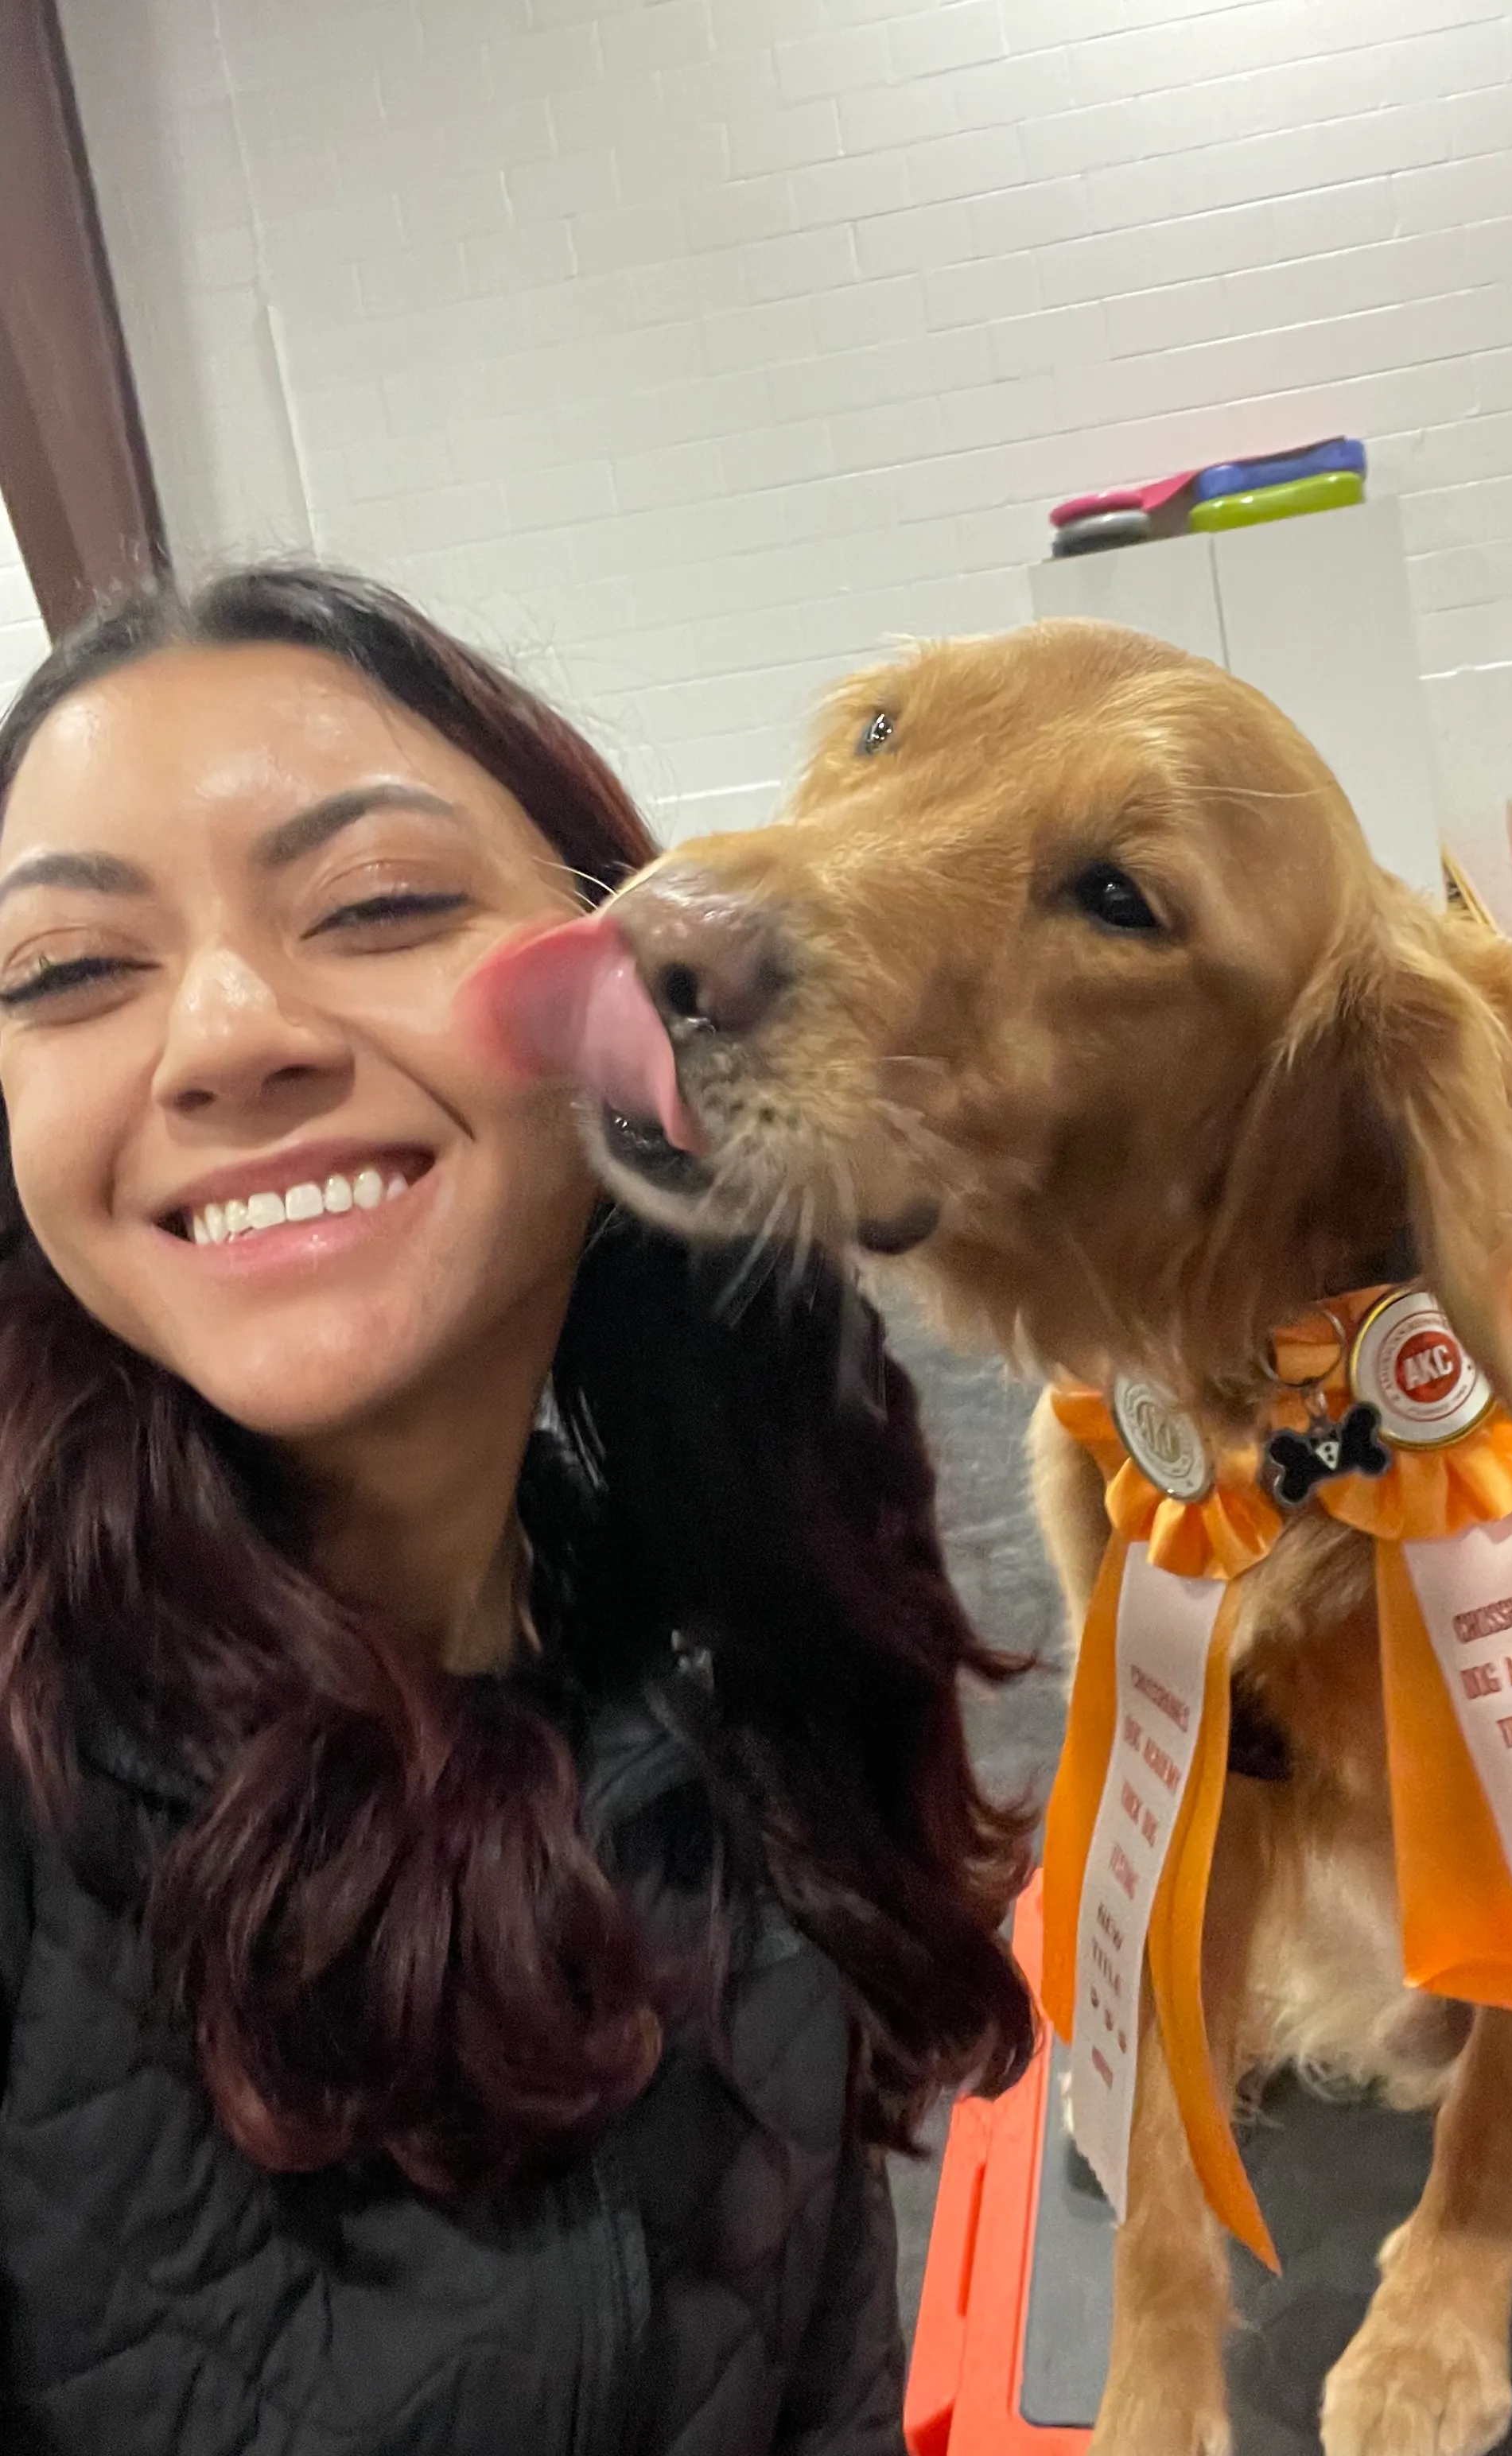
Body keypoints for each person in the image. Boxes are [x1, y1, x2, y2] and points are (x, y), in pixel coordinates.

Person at [0, 565, 1036, 2454]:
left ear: (628, 1023)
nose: (224, 1033)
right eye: (70, 971)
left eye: (378, 905)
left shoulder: (745, 1696)